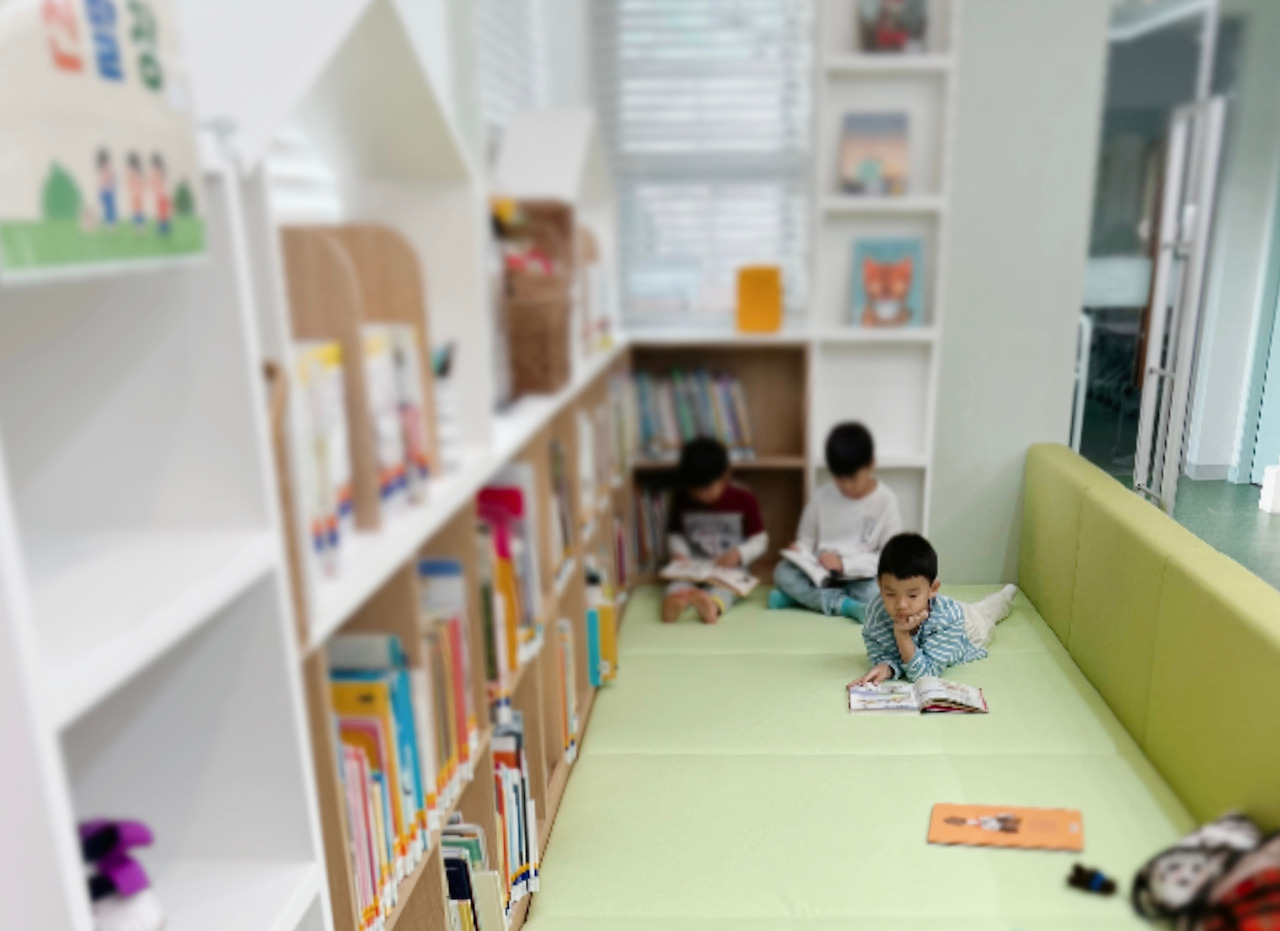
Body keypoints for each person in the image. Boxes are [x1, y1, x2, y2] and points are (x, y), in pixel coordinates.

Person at [768, 422, 899, 621]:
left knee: (878, 592)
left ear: (871, 463)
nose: (846, 486)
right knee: (782, 572)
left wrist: (845, 564)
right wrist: (800, 551)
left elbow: (889, 558)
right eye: (839, 478)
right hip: (821, 573)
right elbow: (806, 541)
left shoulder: (886, 500)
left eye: (852, 478)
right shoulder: (821, 497)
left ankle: (797, 598)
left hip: (860, 576)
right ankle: (845, 606)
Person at [851, 533, 1016, 685]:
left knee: (988, 610)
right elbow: (886, 653)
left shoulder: (948, 619)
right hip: (939, 609)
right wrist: (886, 667)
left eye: (912, 595)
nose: (901, 605)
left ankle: (1006, 595)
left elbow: (924, 675)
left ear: (933, 589)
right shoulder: (876, 611)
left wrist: (902, 635)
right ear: (880, 586)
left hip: (968, 629)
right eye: (890, 594)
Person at [662, 437, 767, 625]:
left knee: (728, 590)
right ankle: (674, 603)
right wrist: (680, 552)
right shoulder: (682, 499)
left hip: (729, 567)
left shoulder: (744, 498)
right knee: (677, 583)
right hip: (694, 565)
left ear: (725, 475)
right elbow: (675, 534)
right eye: (695, 489)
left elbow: (760, 539)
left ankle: (712, 606)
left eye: (708, 489)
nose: (701, 496)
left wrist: (740, 553)